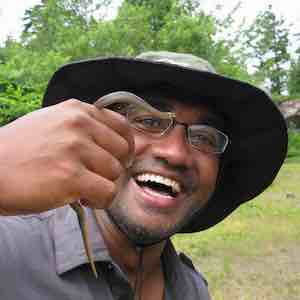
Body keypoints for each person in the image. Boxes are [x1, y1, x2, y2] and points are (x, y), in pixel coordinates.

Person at [0, 51, 287, 300]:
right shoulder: (9, 247)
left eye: (206, 138)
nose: (175, 153)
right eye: (148, 121)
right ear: (92, 135)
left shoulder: (192, 290)